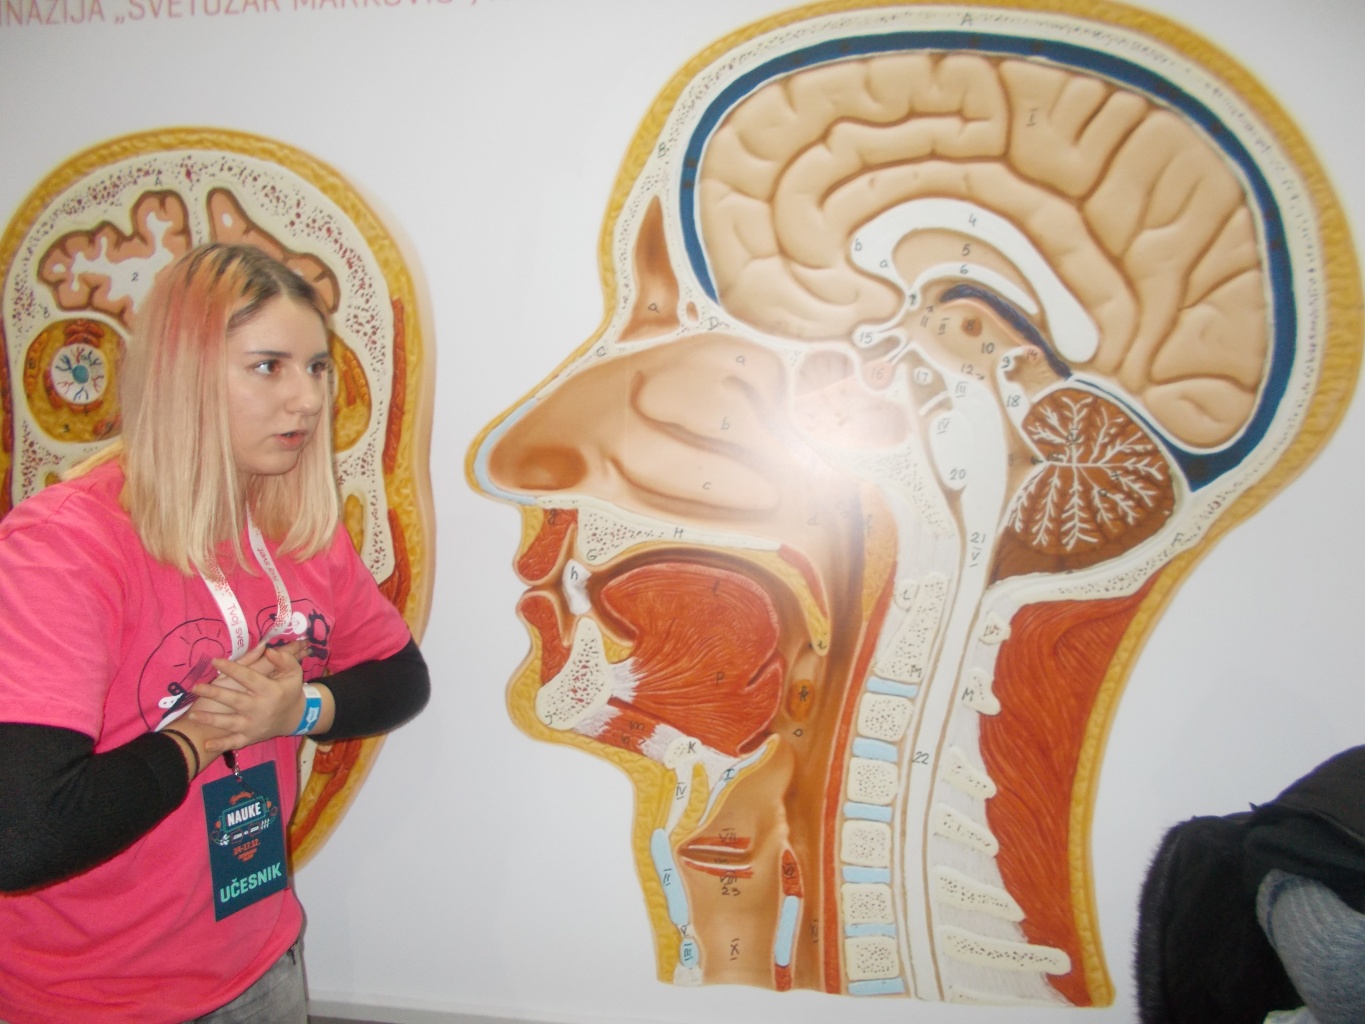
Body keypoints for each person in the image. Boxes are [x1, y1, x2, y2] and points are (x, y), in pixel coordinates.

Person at [0, 243, 430, 1024]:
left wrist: (297, 710)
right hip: (89, 999)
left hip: (261, 963)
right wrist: (198, 739)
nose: (306, 398)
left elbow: (401, 678)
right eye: (268, 367)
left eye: (316, 367)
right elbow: (23, 834)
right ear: (185, 375)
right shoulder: (64, 546)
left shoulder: (296, 527)